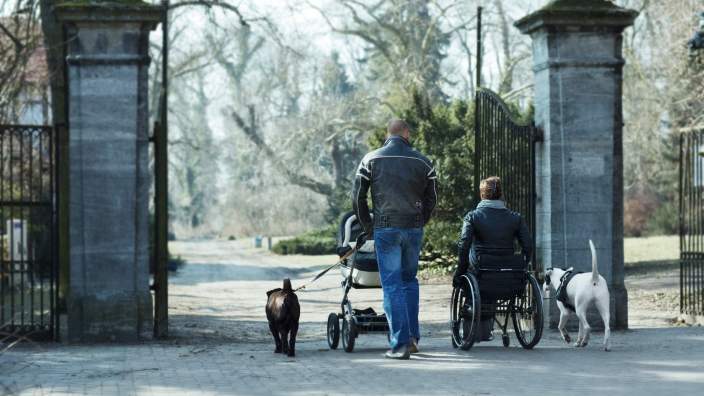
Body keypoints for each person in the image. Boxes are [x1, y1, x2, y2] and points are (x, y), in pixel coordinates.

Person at [353, 119, 437, 359]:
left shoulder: (371, 159)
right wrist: (421, 221)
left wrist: (368, 226)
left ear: (387, 134)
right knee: (409, 281)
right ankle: (411, 340)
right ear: (406, 134)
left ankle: (399, 345)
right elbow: (433, 199)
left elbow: (358, 196)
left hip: (386, 228)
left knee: (391, 285)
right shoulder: (423, 161)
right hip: (413, 227)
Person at [453, 176, 532, 340]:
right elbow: (528, 245)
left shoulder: (473, 217)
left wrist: (460, 272)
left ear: (482, 195)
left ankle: (472, 323)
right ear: (500, 194)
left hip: (481, 272)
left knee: (473, 261)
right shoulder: (515, 218)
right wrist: (522, 266)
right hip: (509, 273)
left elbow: (464, 245)